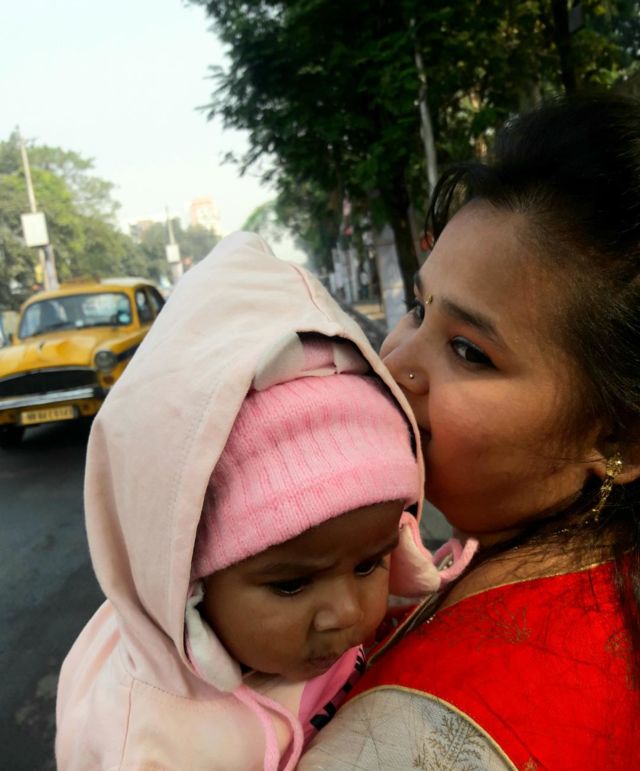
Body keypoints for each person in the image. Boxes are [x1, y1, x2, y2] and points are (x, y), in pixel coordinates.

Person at [299, 93, 640, 770]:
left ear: (619, 443)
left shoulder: (426, 736)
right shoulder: (596, 570)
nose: (393, 363)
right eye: (417, 308)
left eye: (468, 350)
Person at [55, 233, 469, 771]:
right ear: (189, 588)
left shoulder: (310, 640)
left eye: (369, 564)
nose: (346, 613)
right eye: (291, 585)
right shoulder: (155, 748)